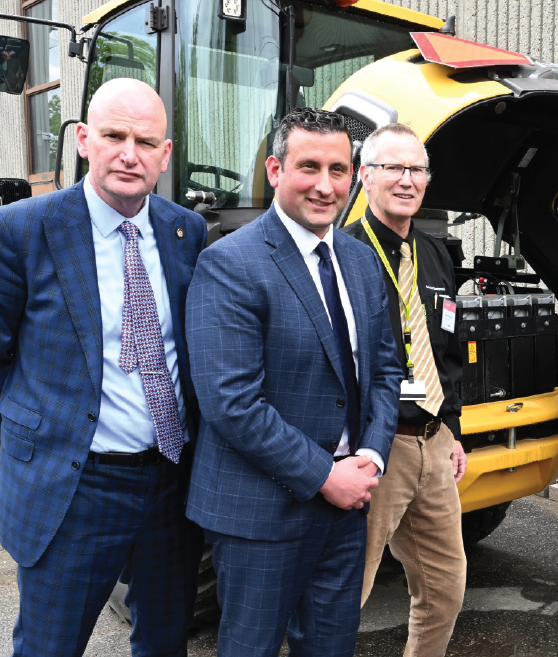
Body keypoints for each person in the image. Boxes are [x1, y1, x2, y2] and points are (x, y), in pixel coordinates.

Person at [0, 77, 206, 656]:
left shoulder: (184, 231)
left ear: (165, 155)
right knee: (50, 645)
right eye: (114, 135)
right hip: (74, 486)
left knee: (165, 641)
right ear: (84, 139)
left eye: (146, 142)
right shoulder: (18, 231)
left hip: (169, 482)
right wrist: (41, 434)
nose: (129, 153)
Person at [184, 107, 403, 657]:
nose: (326, 186)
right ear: (276, 170)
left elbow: (384, 370)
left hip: (348, 506)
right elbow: (232, 403)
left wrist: (372, 457)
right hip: (261, 511)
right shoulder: (229, 264)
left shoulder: (360, 261)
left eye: (339, 169)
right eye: (310, 167)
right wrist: (326, 475)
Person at [342, 123, 468, 657]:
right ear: (364, 176)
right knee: (349, 590)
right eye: (393, 167)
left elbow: (447, 348)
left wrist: (455, 430)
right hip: (377, 446)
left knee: (444, 587)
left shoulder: (437, 255)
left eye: (416, 169)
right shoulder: (342, 254)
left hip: (434, 442)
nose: (407, 179)